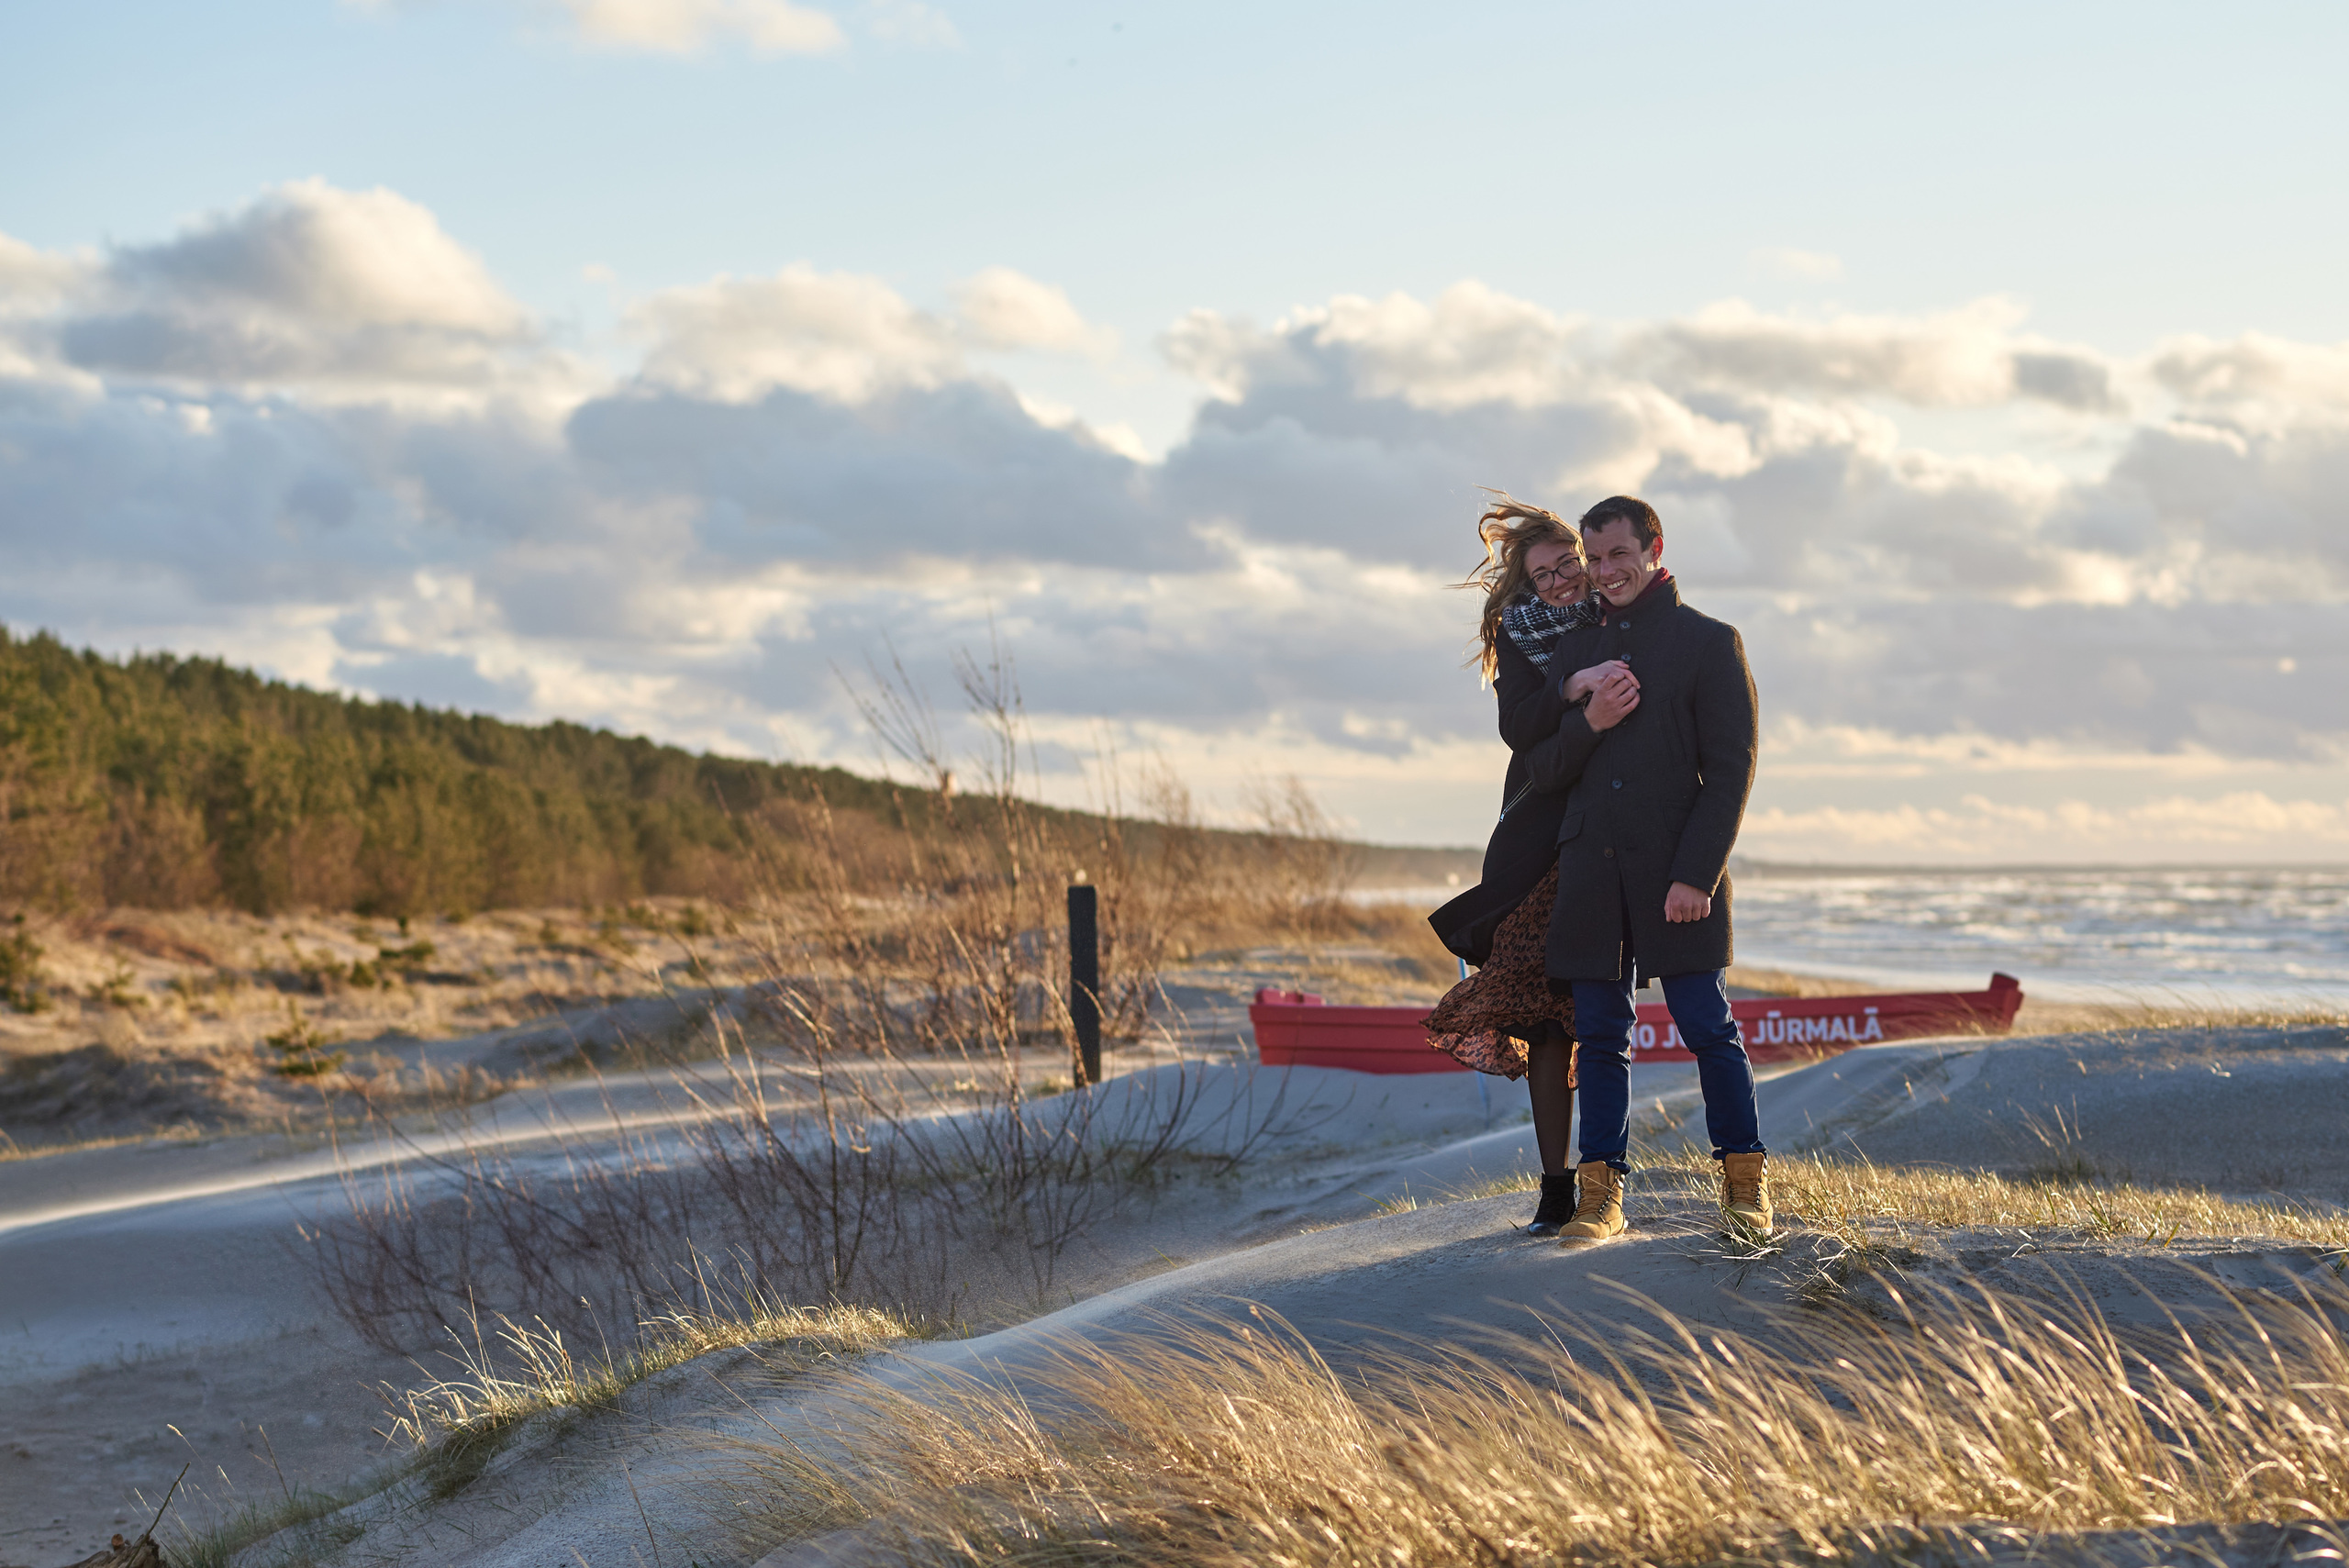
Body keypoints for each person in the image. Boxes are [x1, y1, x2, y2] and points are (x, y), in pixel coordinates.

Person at [1523, 495, 1769, 1242]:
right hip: (1592, 871)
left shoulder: (1709, 642)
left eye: (1618, 555)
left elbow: (1732, 772)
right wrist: (1590, 718)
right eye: (1593, 560)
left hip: (1677, 877)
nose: (1604, 573)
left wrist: (1697, 873)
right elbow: (1541, 765)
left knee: (1707, 1027)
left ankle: (1744, 1187)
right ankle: (1600, 1198)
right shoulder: (1574, 655)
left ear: (1654, 547)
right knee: (1600, 1034)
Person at [1425, 495, 1640, 1237]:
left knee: (1603, 1016)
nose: (1557, 582)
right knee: (1546, 1021)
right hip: (1540, 845)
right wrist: (1576, 692)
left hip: (1616, 839)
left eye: (1566, 565)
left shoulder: (1623, 616)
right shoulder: (1521, 640)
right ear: (1526, 585)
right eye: (1542, 573)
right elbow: (1519, 728)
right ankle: (1557, 1186)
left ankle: (1605, 1179)